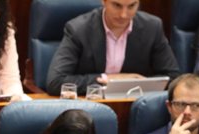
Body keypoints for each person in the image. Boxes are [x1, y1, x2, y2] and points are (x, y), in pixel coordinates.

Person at [46, 0, 180, 96]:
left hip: (135, 105)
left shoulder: (152, 27)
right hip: (91, 105)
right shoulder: (79, 29)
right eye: (117, 5)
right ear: (103, 1)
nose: (124, 15)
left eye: (132, 6)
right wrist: (111, 80)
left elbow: (173, 77)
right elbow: (56, 82)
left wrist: (140, 84)